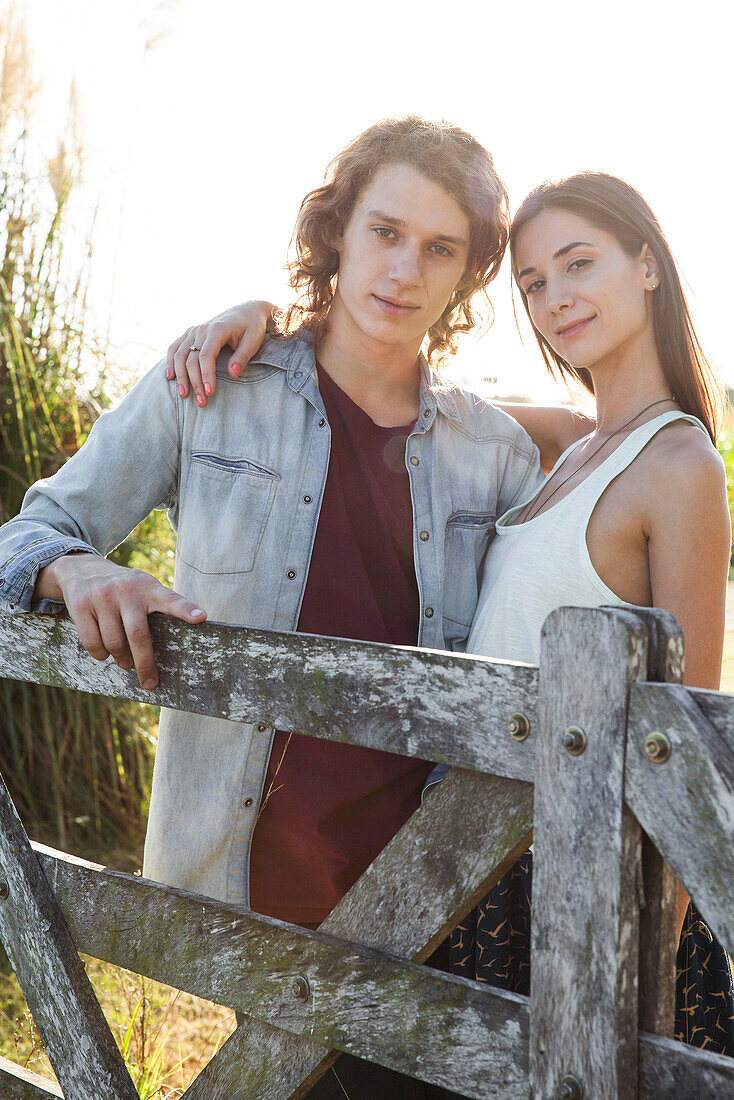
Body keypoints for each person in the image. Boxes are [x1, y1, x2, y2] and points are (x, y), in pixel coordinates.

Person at [0, 117, 558, 1099]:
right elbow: (32, 527)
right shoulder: (207, 387)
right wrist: (75, 572)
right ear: (336, 230)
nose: (403, 270)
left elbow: (628, 436)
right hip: (246, 891)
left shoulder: (495, 453)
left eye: (440, 248)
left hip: (436, 893)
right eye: (384, 231)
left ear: (469, 271)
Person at [170, 172, 733, 1057]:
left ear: (649, 265)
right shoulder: (573, 442)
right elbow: (385, 395)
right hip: (478, 863)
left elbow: (686, 751)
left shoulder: (681, 467)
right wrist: (275, 326)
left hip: (585, 898)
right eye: (534, 283)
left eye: (578, 264)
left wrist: (638, 978)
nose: (556, 300)